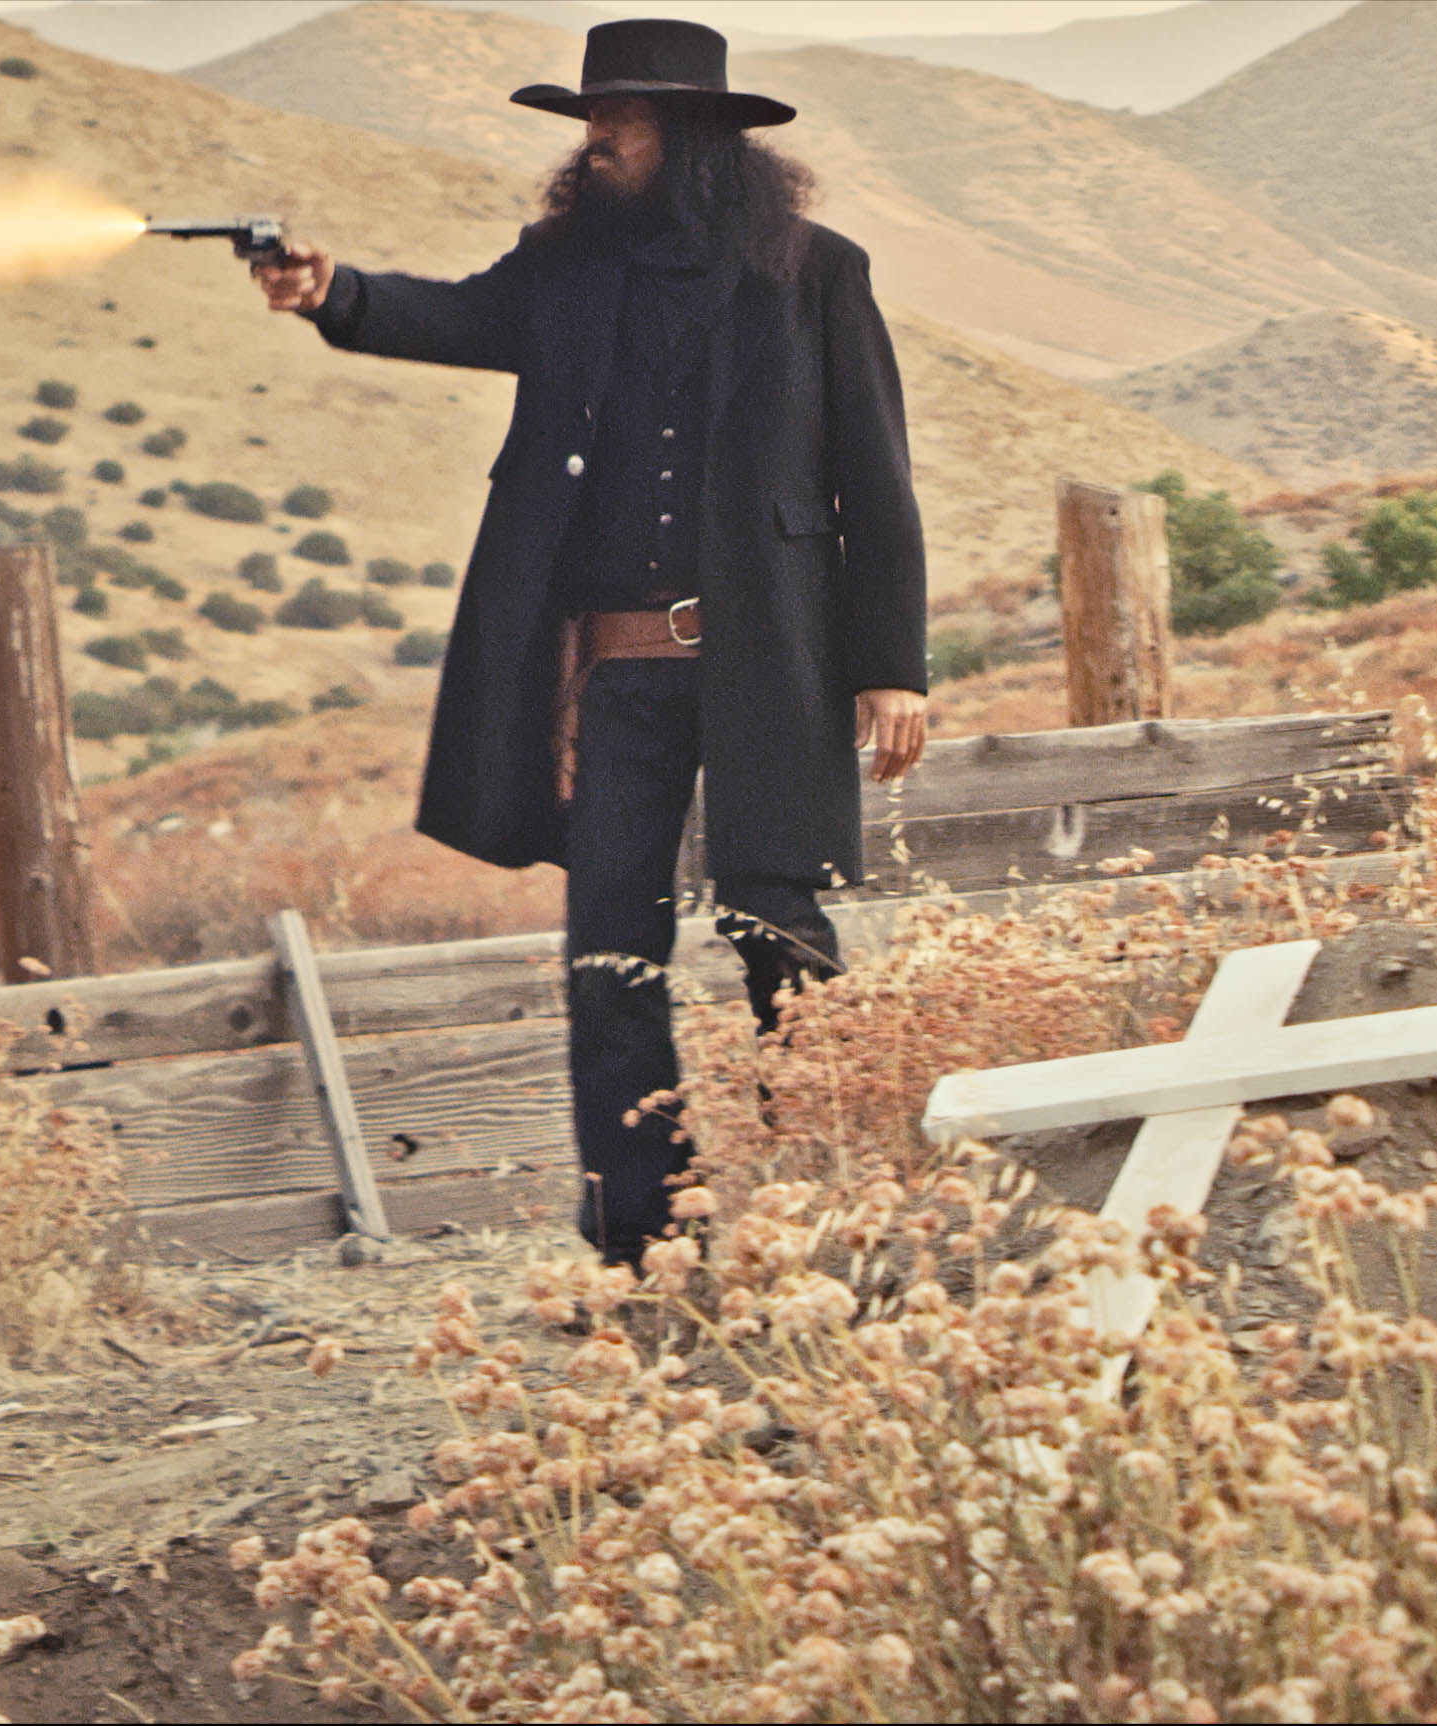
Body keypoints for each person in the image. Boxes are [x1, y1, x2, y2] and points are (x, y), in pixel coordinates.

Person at [249, 18, 928, 1268]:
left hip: (770, 668)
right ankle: (641, 1239)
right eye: (592, 123)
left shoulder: (818, 273)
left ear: (695, 144)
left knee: (778, 927)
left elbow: (871, 477)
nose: (595, 143)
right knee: (609, 953)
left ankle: (826, 1199)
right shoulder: (557, 267)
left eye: (619, 125)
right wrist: (329, 292)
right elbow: (447, 316)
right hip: (613, 676)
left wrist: (890, 661)